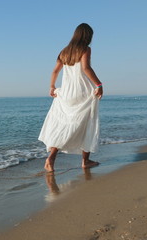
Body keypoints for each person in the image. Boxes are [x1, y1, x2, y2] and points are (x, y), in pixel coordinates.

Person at [38, 23, 103, 172]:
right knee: (88, 124)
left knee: (64, 126)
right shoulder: (85, 49)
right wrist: (99, 84)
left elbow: (55, 71)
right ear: (87, 36)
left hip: (66, 93)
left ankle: (51, 157)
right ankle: (85, 161)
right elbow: (86, 68)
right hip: (83, 92)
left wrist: (52, 87)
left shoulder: (64, 51)